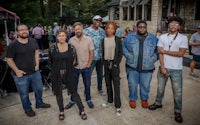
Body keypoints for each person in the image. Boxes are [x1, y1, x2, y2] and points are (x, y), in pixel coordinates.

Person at [148, 17, 188, 123]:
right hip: (164, 67)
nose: (173, 26)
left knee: (177, 92)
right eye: (171, 24)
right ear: (168, 25)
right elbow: (159, 52)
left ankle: (177, 111)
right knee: (160, 88)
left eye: (176, 24)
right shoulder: (162, 37)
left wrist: (165, 51)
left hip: (177, 69)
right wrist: (162, 67)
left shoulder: (183, 38)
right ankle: (158, 103)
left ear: (179, 26)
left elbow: (181, 53)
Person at [6, 24, 50, 117]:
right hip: (21, 75)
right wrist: (17, 71)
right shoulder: (13, 45)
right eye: (21, 30)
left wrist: (37, 65)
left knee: (39, 90)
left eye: (25, 29)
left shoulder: (33, 41)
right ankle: (28, 108)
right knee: (24, 94)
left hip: (35, 72)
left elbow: (36, 52)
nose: (24, 31)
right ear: (17, 32)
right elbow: (9, 60)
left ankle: (39, 103)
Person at [48, 29, 87, 120]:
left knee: (74, 92)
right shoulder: (52, 48)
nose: (61, 37)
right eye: (59, 35)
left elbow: (75, 61)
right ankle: (61, 111)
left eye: (63, 35)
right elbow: (50, 62)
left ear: (66, 36)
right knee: (58, 93)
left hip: (69, 73)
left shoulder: (71, 47)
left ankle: (82, 110)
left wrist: (66, 68)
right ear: (57, 37)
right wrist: (58, 69)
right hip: (56, 74)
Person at [122, 20, 158, 109]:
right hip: (132, 66)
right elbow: (123, 46)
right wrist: (128, 55)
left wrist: (153, 58)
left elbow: (158, 50)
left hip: (147, 67)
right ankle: (133, 99)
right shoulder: (130, 37)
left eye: (144, 27)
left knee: (145, 85)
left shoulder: (153, 38)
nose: (142, 29)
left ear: (146, 28)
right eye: (140, 27)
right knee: (132, 84)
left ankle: (144, 99)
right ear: (137, 28)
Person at [65, 22, 94, 109]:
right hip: (75, 67)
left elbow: (91, 52)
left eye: (79, 29)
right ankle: (72, 100)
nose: (78, 31)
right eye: (76, 29)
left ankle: (88, 99)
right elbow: (69, 54)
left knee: (87, 84)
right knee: (73, 85)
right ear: (74, 30)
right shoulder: (71, 40)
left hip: (86, 67)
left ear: (82, 29)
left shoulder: (88, 39)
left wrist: (89, 64)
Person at [101, 21, 123, 116]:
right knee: (108, 84)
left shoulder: (117, 39)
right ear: (105, 29)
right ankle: (109, 101)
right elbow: (103, 52)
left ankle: (118, 106)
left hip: (114, 65)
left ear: (114, 30)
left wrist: (116, 63)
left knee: (116, 85)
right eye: (108, 28)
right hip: (106, 64)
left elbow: (120, 53)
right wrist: (104, 62)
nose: (110, 30)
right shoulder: (103, 40)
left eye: (112, 28)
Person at [83, 15, 106, 96]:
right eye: (96, 20)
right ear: (93, 20)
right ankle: (86, 92)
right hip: (90, 58)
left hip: (100, 57)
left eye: (100, 20)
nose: (98, 22)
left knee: (100, 75)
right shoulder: (86, 31)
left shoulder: (102, 31)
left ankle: (100, 88)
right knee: (88, 75)